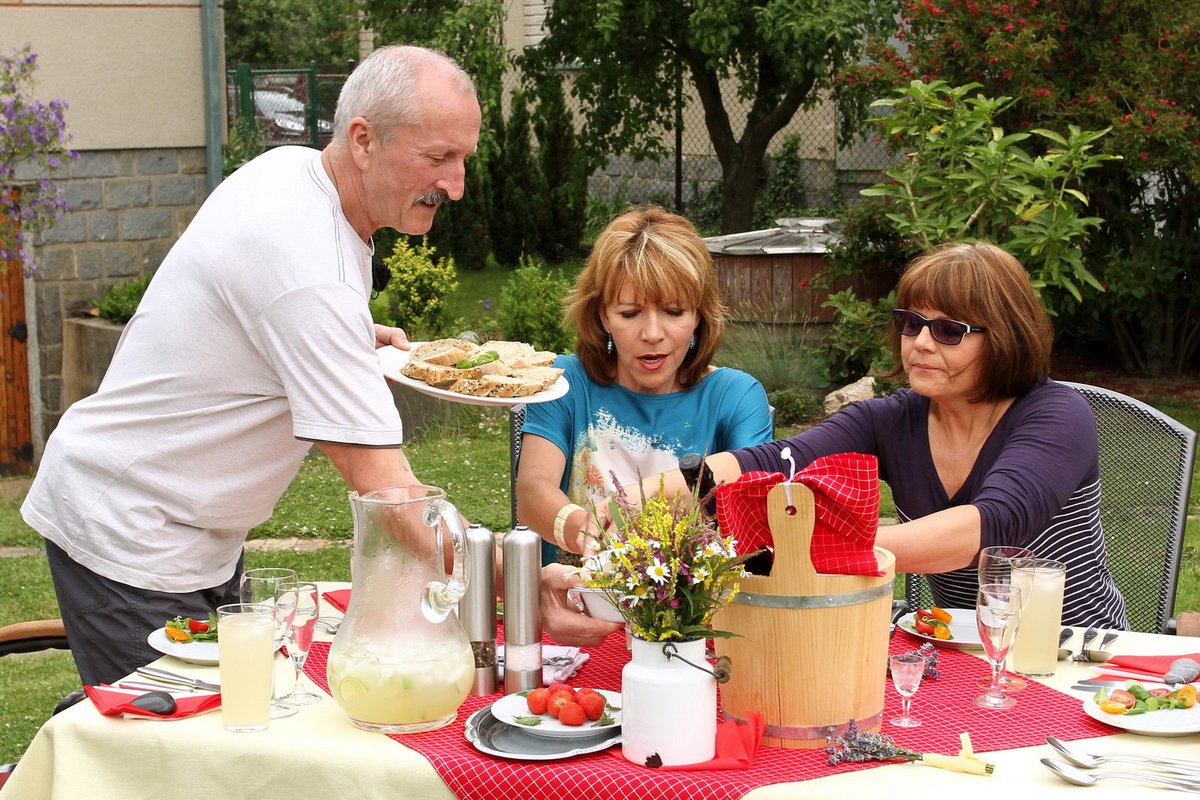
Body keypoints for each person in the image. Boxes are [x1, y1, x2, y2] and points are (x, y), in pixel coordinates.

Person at [22, 45, 616, 687]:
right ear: (363, 139)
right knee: (170, 754)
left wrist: (350, 337)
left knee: (229, 725)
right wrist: (518, 579)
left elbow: (258, 320)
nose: (456, 185)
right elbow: (394, 499)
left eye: (463, 157)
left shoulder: (295, 172)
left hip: (193, 536)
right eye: (438, 157)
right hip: (130, 534)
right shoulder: (308, 271)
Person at [634, 241, 1129, 629]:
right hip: (957, 648)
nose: (920, 343)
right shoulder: (892, 419)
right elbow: (775, 459)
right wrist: (656, 497)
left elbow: (984, 530)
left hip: (1075, 651)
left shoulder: (1058, 414)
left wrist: (818, 549)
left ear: (1004, 337)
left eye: (949, 331)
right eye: (911, 323)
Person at [516, 206, 774, 564]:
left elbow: (753, 513)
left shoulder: (737, 396)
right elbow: (531, 492)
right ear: (603, 315)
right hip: (568, 610)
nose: (652, 334)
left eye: (674, 311)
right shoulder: (561, 382)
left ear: (699, 315)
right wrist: (582, 529)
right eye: (630, 313)